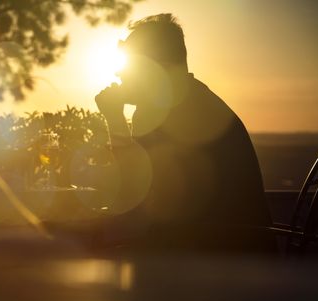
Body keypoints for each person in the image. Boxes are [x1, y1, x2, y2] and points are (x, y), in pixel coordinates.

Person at [95, 14, 272, 251]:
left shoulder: (178, 113)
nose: (119, 74)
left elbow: (132, 196)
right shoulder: (186, 100)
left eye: (130, 65)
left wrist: (114, 117)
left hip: (215, 258)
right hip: (223, 245)